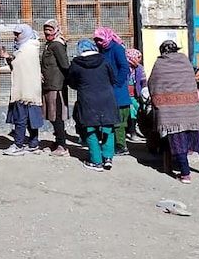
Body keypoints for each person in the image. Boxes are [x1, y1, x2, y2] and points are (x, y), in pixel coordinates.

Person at [148, 40, 199, 183]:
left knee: (177, 142)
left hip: (171, 112)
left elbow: (152, 84)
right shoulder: (185, 62)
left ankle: (185, 174)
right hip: (190, 108)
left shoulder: (160, 64)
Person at [66, 39, 119, 171]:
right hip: (107, 98)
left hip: (87, 99)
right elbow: (113, 79)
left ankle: (96, 161)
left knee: (90, 129)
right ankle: (107, 157)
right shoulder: (104, 61)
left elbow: (71, 82)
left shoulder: (76, 64)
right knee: (108, 127)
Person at [1, 24, 44, 156]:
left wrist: (8, 57)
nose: (16, 37)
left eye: (18, 34)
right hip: (31, 88)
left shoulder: (27, 48)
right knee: (31, 117)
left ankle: (18, 144)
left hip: (24, 89)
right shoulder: (29, 47)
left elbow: (18, 65)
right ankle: (33, 143)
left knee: (21, 117)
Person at [94, 27, 131, 156]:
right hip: (106, 89)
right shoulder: (101, 50)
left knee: (119, 121)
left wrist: (117, 83)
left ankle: (121, 145)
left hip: (117, 91)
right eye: (96, 40)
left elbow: (124, 67)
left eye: (100, 39)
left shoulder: (116, 48)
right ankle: (112, 143)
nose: (98, 42)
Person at [41, 19, 70, 156]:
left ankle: (62, 145)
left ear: (56, 30)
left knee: (57, 115)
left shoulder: (57, 45)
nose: (47, 32)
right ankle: (58, 141)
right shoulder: (49, 44)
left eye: (50, 29)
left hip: (56, 86)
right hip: (49, 84)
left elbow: (64, 65)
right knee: (52, 116)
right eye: (45, 30)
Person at [125, 48, 148, 141]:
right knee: (132, 111)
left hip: (135, 95)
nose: (139, 59)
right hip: (126, 96)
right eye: (138, 57)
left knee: (140, 109)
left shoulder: (139, 68)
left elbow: (143, 81)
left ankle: (141, 130)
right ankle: (132, 132)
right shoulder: (124, 68)